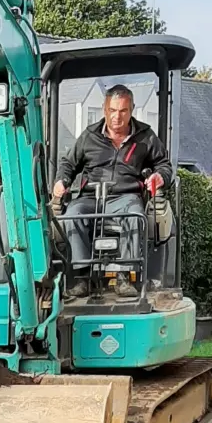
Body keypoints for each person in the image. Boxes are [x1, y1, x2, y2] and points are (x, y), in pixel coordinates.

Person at [52, 83, 172, 298]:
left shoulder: (146, 136)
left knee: (135, 215)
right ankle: (81, 277)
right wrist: (62, 180)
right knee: (71, 215)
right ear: (105, 109)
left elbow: (164, 164)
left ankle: (124, 277)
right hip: (91, 196)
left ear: (131, 110)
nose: (117, 117)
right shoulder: (89, 136)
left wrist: (159, 176)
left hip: (126, 196)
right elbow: (68, 164)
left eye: (123, 111)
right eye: (113, 110)